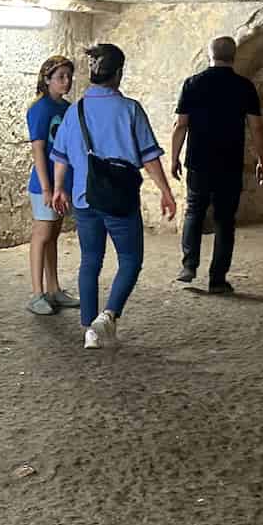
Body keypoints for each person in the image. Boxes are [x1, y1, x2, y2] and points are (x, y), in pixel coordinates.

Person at [49, 44, 177, 350]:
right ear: (118, 73)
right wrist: (165, 191)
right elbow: (149, 157)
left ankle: (88, 329)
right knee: (130, 260)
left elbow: (61, 156)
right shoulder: (130, 109)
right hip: (120, 200)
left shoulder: (75, 110)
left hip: (84, 198)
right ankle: (107, 317)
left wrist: (57, 188)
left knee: (90, 261)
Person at [170, 36, 263, 294]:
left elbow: (181, 125)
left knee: (194, 211)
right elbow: (256, 126)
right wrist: (262, 159)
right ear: (233, 56)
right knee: (225, 220)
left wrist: (173, 158)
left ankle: (189, 266)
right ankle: (217, 279)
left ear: (209, 54)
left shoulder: (192, 83)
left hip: (199, 161)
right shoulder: (244, 86)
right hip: (230, 162)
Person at [25, 54, 81, 315]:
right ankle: (37, 293)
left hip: (61, 183)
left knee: (53, 234)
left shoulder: (67, 108)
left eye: (69, 76)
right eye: (60, 77)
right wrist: (47, 188)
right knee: (42, 234)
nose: (66, 81)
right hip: (44, 183)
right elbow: (39, 150)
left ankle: (54, 288)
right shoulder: (40, 109)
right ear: (47, 79)